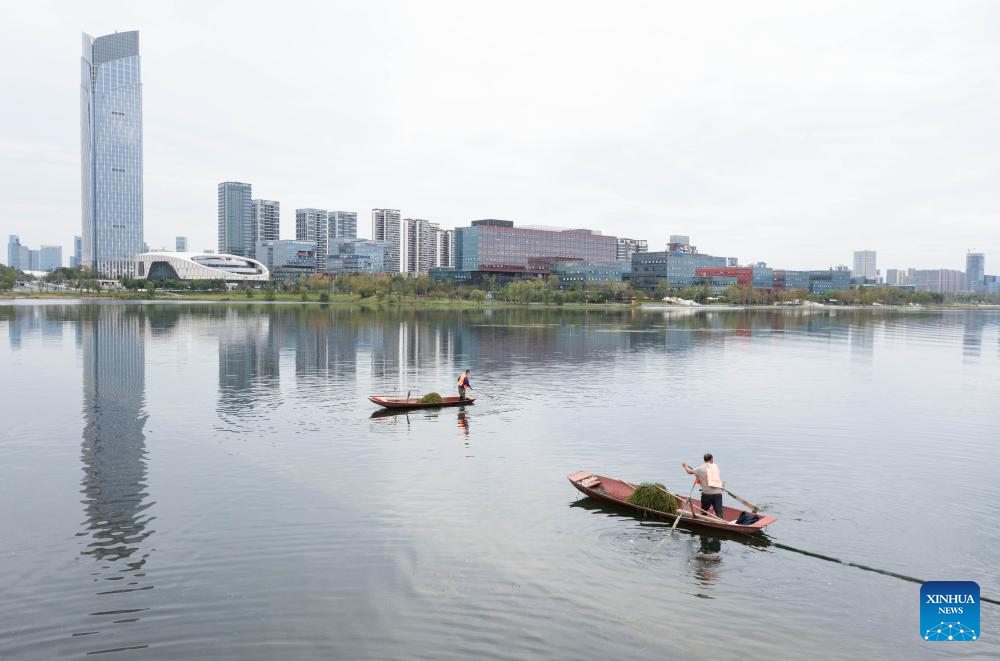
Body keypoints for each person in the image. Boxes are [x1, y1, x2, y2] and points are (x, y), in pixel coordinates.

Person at [682, 453, 724, 519]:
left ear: (704, 460)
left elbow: (689, 471)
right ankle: (722, 523)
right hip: (718, 493)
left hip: (707, 494)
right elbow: (708, 469)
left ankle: (702, 519)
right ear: (712, 459)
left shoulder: (700, 468)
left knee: (704, 511)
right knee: (719, 513)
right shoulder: (716, 466)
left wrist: (685, 466)